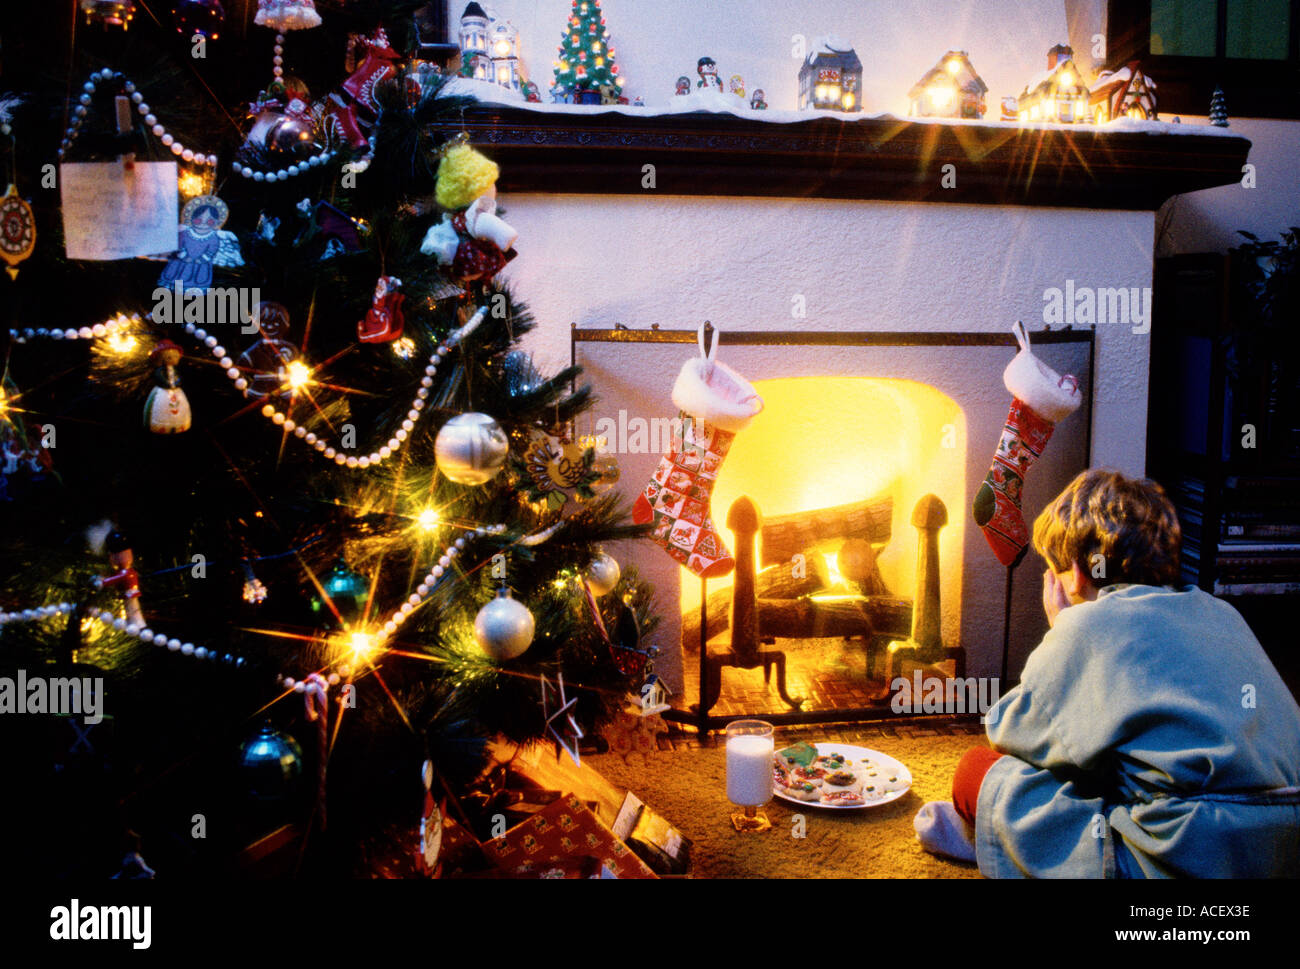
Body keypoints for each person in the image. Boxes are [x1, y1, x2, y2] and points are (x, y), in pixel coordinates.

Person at [914, 469, 1300, 877]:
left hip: (1184, 855)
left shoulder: (1086, 625)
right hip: (1284, 845)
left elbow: (1008, 735)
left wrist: (1062, 628)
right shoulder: (1222, 611)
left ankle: (994, 842)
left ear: (1077, 573)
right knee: (1118, 757)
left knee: (976, 770)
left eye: (1052, 571)